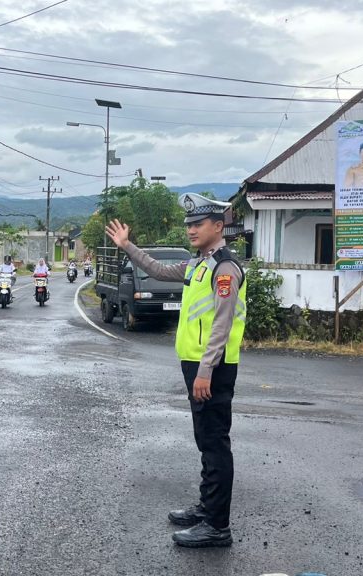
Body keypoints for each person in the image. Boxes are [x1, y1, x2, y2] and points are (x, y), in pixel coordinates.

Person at [104, 193, 246, 549]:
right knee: (205, 439)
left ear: (218, 226)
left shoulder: (224, 268)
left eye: (198, 224)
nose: (191, 230)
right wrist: (128, 246)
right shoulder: (199, 263)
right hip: (197, 365)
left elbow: (222, 326)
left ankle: (217, 526)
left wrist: (204, 371)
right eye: (188, 225)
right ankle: (207, 507)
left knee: (214, 443)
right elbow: (157, 270)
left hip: (211, 368)